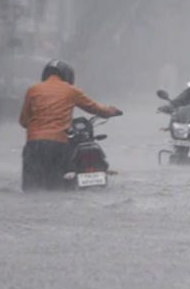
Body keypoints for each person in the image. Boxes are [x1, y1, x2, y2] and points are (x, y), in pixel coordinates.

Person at [19, 60, 122, 192]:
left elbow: (23, 121)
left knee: (31, 190)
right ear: (67, 75)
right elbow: (94, 108)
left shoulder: (33, 90)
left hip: (34, 145)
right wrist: (111, 111)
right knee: (58, 189)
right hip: (58, 145)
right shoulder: (71, 91)